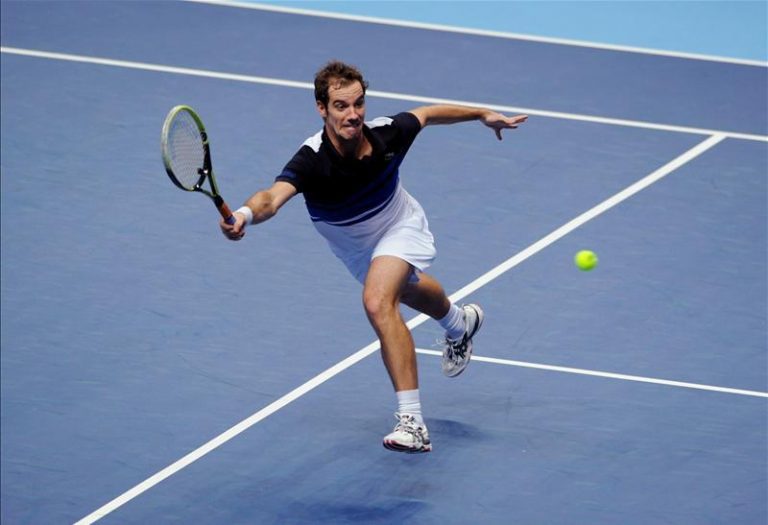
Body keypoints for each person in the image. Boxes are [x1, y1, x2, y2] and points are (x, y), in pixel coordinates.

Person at [221, 60, 527, 453]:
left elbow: (428, 114)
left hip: (400, 225)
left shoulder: (387, 134)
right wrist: (244, 214)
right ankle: (459, 322)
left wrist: (482, 114)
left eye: (358, 103)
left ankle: (412, 423)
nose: (353, 114)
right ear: (321, 109)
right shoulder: (312, 159)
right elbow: (270, 198)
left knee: (378, 301)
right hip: (354, 249)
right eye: (341, 106)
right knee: (407, 290)